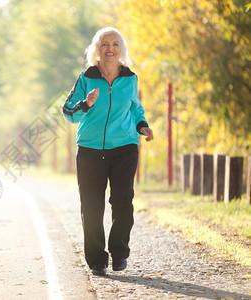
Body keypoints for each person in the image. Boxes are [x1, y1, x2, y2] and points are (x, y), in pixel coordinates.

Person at [62, 27, 154, 276]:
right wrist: (86, 104)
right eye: (104, 44)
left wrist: (142, 125)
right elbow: (68, 112)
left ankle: (119, 252)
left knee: (123, 201)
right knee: (92, 205)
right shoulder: (85, 78)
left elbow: (135, 108)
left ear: (121, 49)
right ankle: (96, 259)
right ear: (96, 49)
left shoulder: (130, 78)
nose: (110, 48)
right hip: (90, 150)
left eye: (115, 44)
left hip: (124, 147)